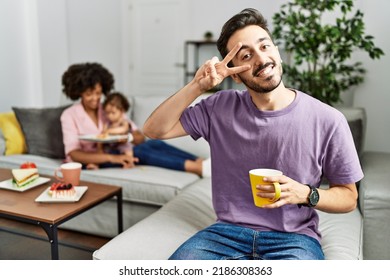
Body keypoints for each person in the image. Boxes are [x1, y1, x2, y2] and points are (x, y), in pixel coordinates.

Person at [143, 8, 364, 260]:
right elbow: (153, 130)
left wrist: (305, 194)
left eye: (265, 47)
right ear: (235, 74)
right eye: (246, 55)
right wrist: (197, 86)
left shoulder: (328, 119)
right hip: (225, 235)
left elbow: (348, 197)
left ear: (277, 53)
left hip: (294, 239)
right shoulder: (219, 107)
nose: (261, 59)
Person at [60, 62, 206, 175]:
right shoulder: (69, 115)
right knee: (139, 151)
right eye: (89, 94)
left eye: (98, 93)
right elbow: (75, 154)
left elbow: (139, 137)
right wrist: (113, 159)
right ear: (78, 92)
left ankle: (202, 161)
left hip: (117, 151)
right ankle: (197, 168)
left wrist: (128, 137)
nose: (95, 98)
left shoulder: (108, 109)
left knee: (152, 143)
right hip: (94, 160)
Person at [86, 92, 136, 170]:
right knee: (100, 152)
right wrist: (100, 144)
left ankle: (130, 162)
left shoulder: (123, 121)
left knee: (127, 149)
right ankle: (95, 164)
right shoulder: (107, 123)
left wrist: (110, 131)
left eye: (113, 113)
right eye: (107, 113)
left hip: (122, 143)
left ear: (122, 111)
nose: (110, 116)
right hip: (110, 145)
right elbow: (104, 133)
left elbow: (124, 129)